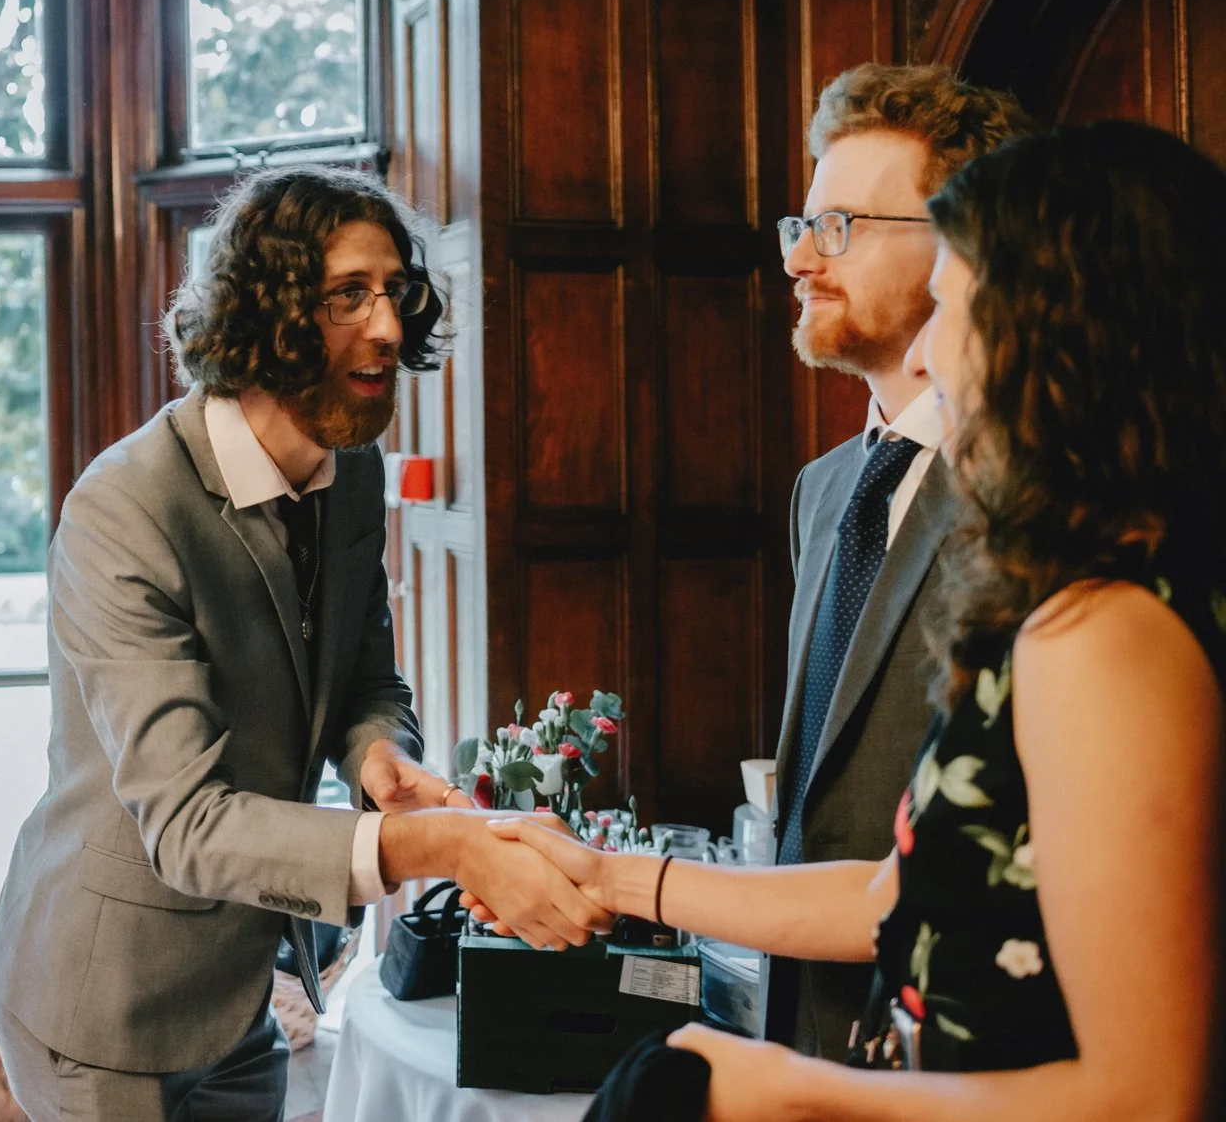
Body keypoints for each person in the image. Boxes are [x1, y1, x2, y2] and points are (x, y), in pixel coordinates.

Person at [480, 121, 1223, 1120]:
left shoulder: (1104, 632)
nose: (923, 354)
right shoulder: (1076, 600)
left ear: (1054, 339)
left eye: (951, 311)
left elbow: (1143, 1098)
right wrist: (612, 875)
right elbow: (896, 896)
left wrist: (795, 1093)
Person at [0, 165, 606, 1122]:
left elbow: (363, 673)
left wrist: (379, 755)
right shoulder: (125, 509)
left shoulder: (353, 475)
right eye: (348, 295)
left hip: (248, 994)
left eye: (395, 292)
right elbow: (187, 824)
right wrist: (443, 842)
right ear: (262, 312)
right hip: (100, 1012)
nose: (391, 328)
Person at [769, 63, 1035, 1059]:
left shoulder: (1032, 496)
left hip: (955, 1043)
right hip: (800, 1023)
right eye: (800, 226)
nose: (801, 259)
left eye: (838, 227)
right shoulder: (823, 490)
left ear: (960, 245)